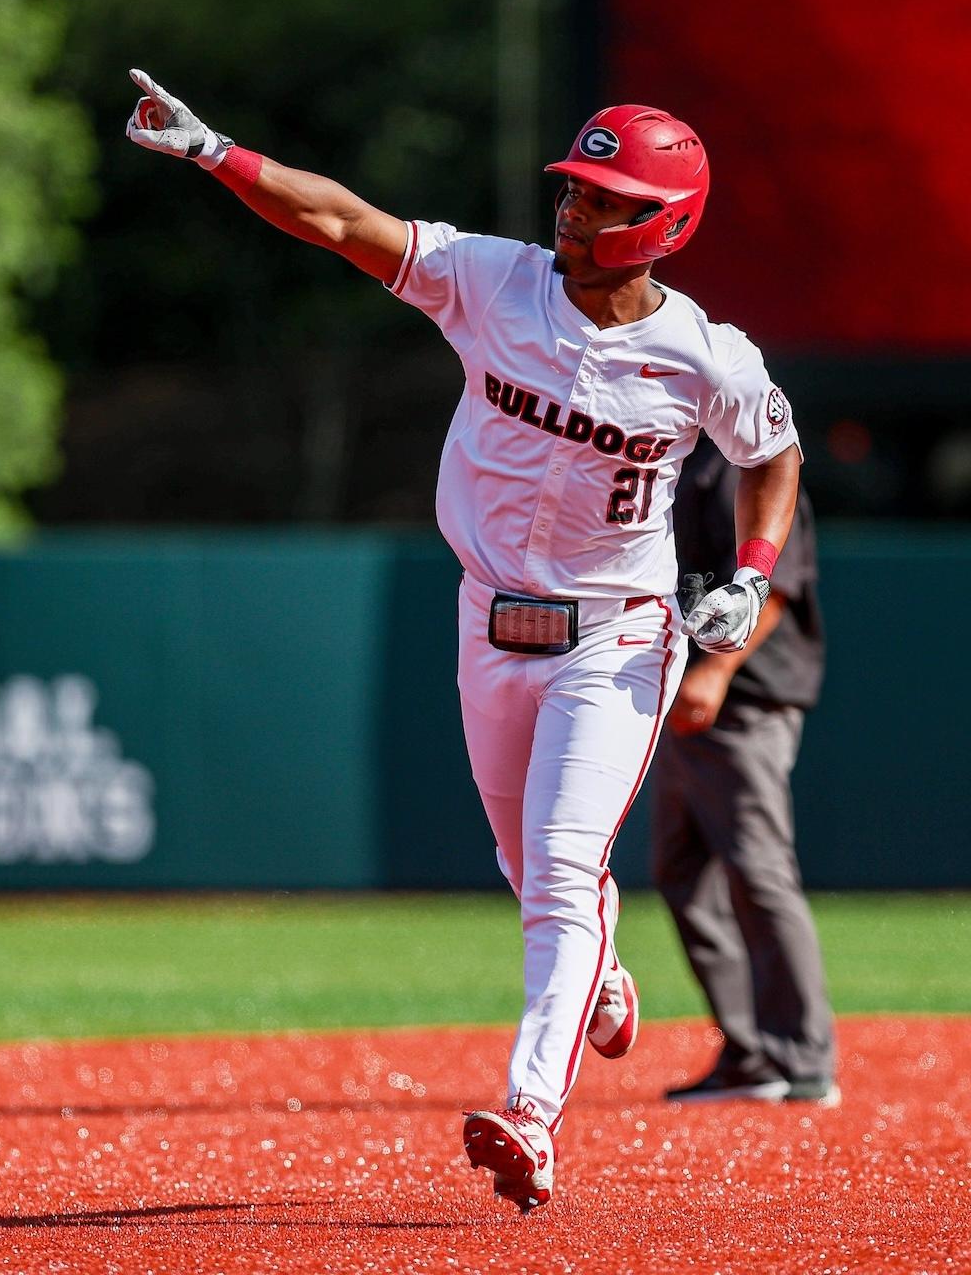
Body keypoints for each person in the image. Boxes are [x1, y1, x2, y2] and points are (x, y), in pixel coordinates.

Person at [124, 72, 803, 1213]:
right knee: (527, 868)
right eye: (577, 190)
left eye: (606, 200)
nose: (576, 213)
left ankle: (532, 1115)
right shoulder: (493, 281)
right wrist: (214, 152)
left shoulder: (705, 356)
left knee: (559, 875)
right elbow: (342, 220)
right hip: (488, 622)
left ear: (664, 225)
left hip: (619, 638)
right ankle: (599, 977)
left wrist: (748, 575)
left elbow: (773, 453)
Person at [655, 439, 837, 1106]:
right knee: (683, 871)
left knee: (758, 872)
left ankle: (802, 1057)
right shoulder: (671, 458)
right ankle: (752, 1052)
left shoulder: (746, 457)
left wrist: (717, 671)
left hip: (743, 695)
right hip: (683, 698)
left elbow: (776, 586)